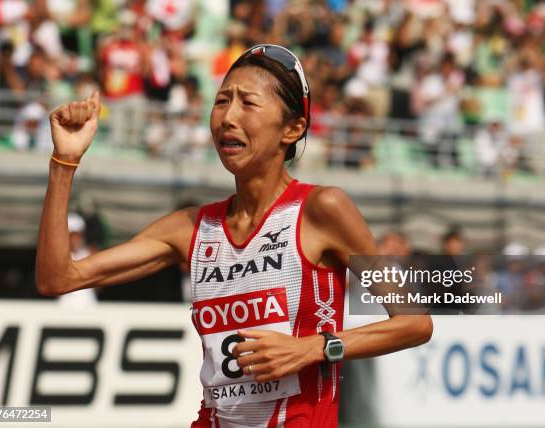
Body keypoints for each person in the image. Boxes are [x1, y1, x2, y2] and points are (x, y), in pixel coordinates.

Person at [36, 44, 433, 427]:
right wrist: (64, 162)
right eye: (222, 100)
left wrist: (313, 348)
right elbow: (59, 278)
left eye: (248, 103)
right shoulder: (190, 228)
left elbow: (415, 323)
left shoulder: (323, 209)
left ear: (292, 129)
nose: (228, 116)